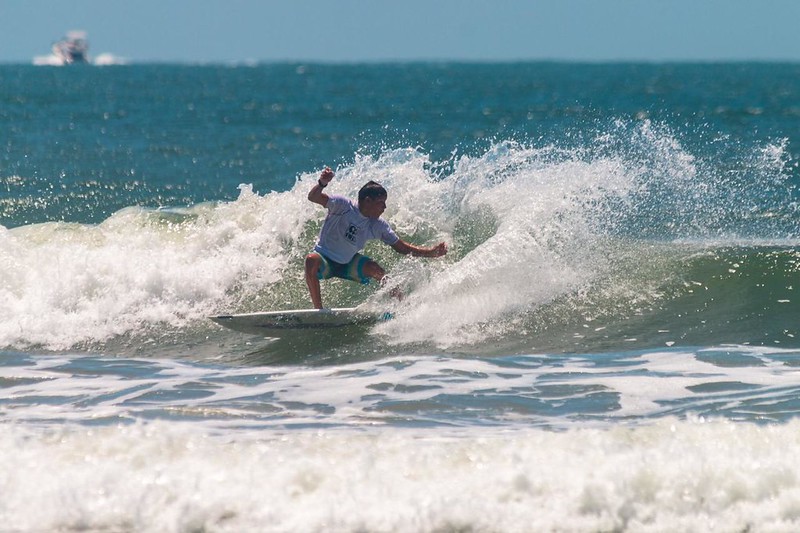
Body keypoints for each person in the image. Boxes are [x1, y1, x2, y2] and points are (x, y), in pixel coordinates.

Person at [305, 166, 447, 309]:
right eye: (381, 203)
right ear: (368, 201)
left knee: (377, 270)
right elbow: (313, 197)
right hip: (324, 262)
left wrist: (431, 253)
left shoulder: (377, 225)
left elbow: (401, 248)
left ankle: (403, 306)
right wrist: (322, 183)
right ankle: (319, 311)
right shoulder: (342, 205)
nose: (384, 207)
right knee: (311, 260)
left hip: (347, 264)